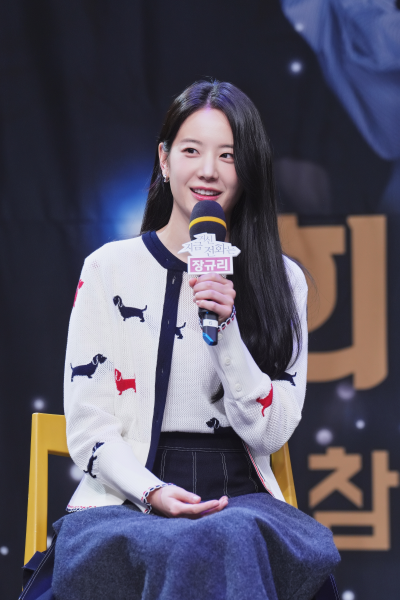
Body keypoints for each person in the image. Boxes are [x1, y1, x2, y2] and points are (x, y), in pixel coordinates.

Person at [34, 81, 340, 600]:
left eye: (228, 155)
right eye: (192, 150)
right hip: (127, 493)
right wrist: (152, 491)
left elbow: (273, 432)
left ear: (250, 167)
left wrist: (226, 329)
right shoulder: (108, 269)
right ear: (165, 159)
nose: (209, 170)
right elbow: (88, 424)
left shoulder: (282, 281)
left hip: (240, 497)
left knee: (227, 537)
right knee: (184, 547)